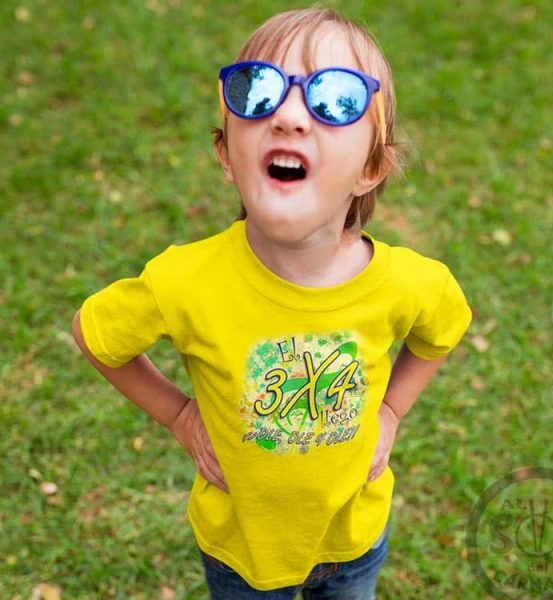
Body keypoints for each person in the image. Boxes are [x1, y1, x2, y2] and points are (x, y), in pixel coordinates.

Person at [72, 7, 472, 599]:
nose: (288, 116)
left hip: (354, 539)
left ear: (371, 167)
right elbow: (94, 333)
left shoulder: (410, 283)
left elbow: (440, 332)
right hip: (241, 553)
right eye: (256, 90)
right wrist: (181, 417)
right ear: (226, 154)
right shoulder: (186, 281)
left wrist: (390, 412)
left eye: (335, 99)